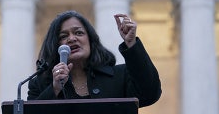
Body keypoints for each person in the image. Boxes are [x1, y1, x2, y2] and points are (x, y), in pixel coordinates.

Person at [27, 10, 162, 108]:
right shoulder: (40, 84)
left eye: (79, 32)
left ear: (91, 41)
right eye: (63, 36)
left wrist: (131, 44)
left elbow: (150, 93)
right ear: (55, 45)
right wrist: (54, 89)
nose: (72, 38)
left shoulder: (119, 76)